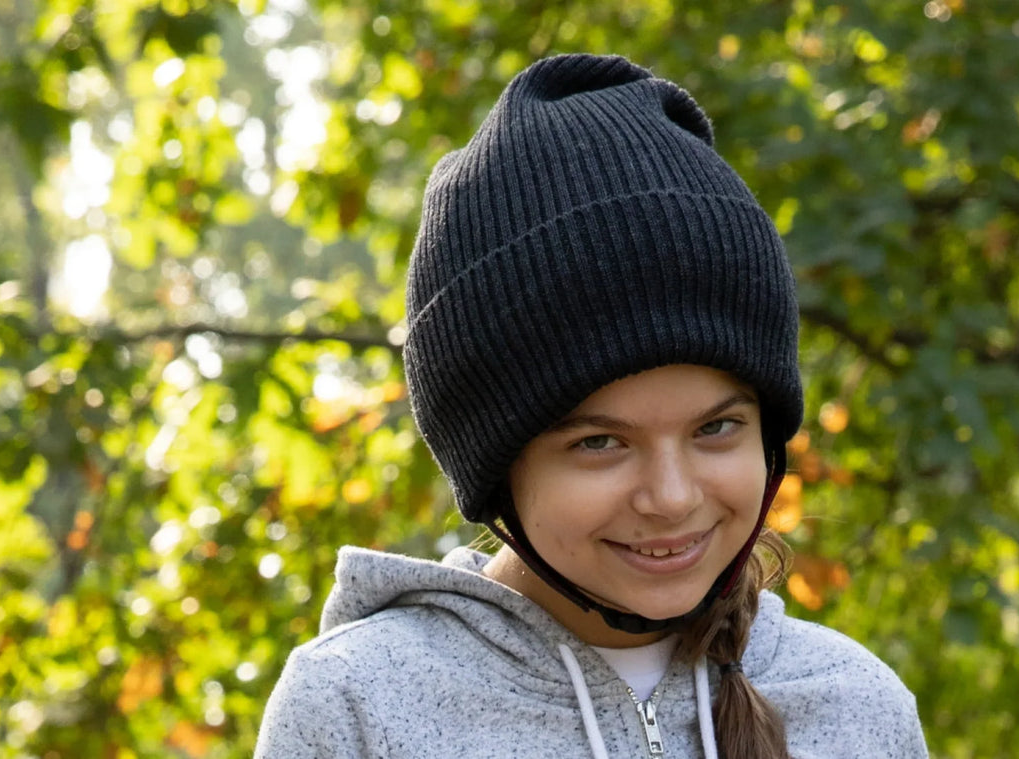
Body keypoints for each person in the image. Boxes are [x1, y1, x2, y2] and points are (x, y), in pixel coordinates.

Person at [255, 53, 928, 758]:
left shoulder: (856, 707)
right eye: (600, 443)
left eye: (717, 427)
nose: (671, 498)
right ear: (498, 466)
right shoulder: (357, 707)